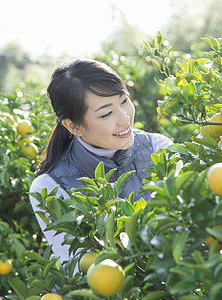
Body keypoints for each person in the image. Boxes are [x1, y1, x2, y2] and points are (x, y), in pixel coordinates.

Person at [29, 58, 173, 263]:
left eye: (124, 100)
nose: (124, 118)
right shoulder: (49, 188)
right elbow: (80, 268)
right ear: (73, 126)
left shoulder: (158, 149)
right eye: (106, 113)